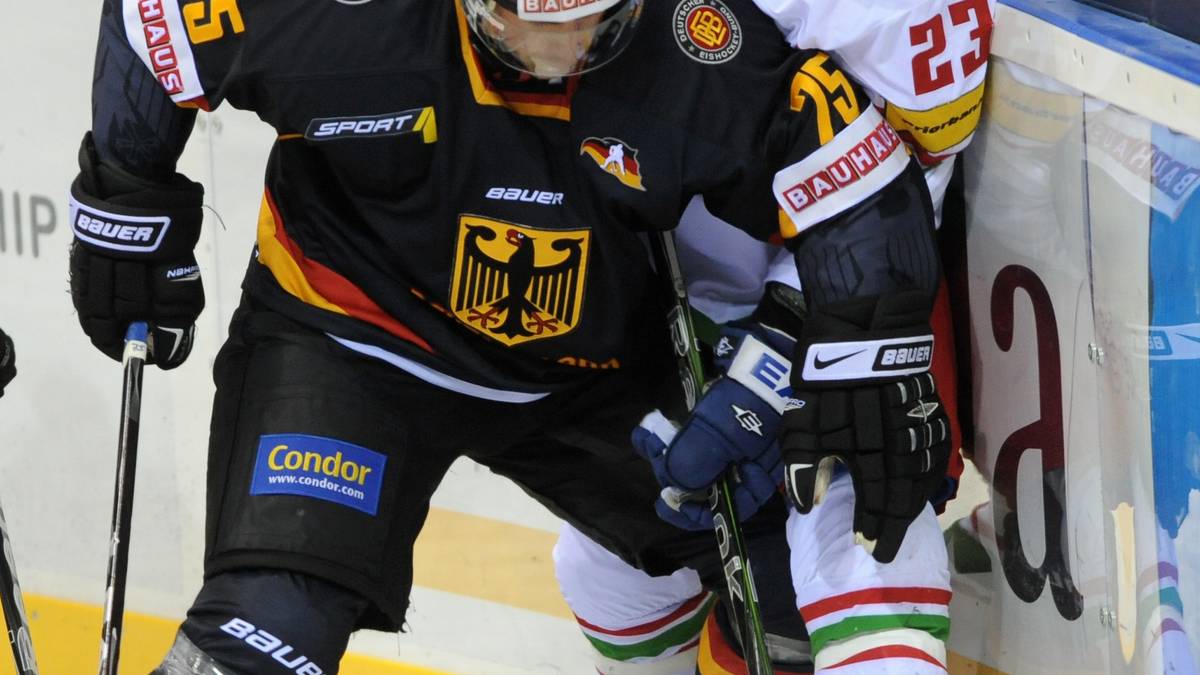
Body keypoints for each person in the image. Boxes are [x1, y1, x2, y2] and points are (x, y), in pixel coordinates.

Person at [69, 0, 951, 672]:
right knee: (271, 627)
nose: (558, 52)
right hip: (354, 339)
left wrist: (835, 352)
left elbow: (856, 175)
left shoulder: (691, 40)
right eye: (522, 23)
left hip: (591, 371)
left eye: (591, 23)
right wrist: (122, 194)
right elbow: (160, 24)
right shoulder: (339, 22)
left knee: (786, 571)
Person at [553, 0, 994, 671]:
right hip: (653, 277)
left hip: (840, 291)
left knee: (862, 528)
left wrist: (782, 344)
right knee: (605, 553)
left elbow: (902, 177)